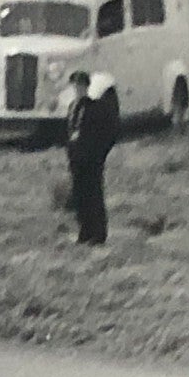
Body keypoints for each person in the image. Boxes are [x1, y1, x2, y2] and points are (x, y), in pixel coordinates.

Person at [64, 70, 118, 246]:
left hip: (92, 159)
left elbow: (107, 132)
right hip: (77, 159)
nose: (77, 90)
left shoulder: (96, 108)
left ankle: (98, 233)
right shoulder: (73, 107)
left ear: (87, 87)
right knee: (80, 196)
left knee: (94, 195)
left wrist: (98, 153)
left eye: (80, 86)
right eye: (75, 86)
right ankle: (84, 231)